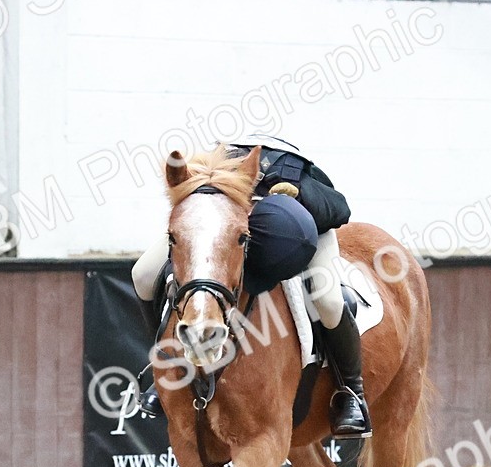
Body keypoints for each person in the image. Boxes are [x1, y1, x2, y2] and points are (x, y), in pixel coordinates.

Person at [131, 135, 371, 439]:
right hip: (226, 231)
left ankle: (351, 390)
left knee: (329, 301)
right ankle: (166, 365)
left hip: (300, 234)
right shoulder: (220, 160)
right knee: (142, 274)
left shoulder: (294, 169)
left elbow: (338, 212)